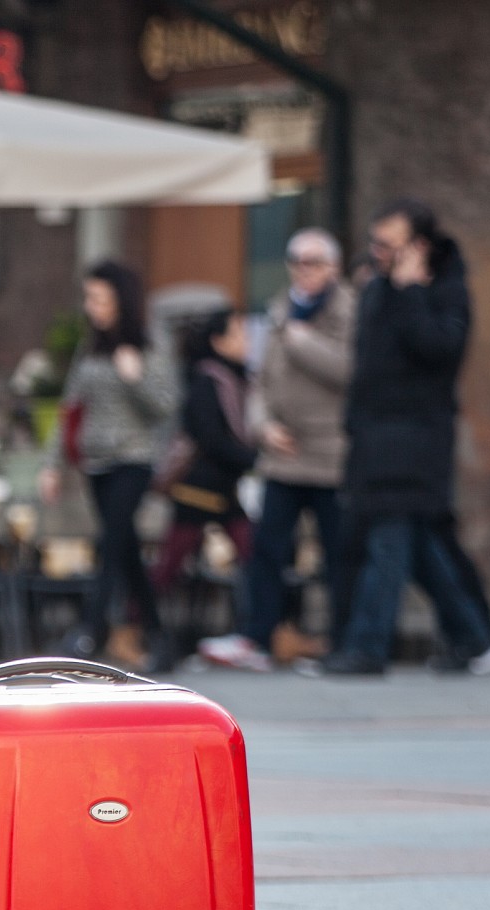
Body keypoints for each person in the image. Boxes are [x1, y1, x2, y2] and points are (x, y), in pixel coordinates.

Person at [309, 201, 490, 677]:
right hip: (374, 439)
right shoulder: (377, 289)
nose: (377, 252)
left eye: (388, 245)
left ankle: (367, 647)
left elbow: (440, 349)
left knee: (389, 545)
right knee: (415, 546)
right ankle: (477, 639)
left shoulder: (444, 291)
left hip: (415, 442)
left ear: (419, 247)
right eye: (374, 243)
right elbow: (367, 368)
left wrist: (410, 293)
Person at [202, 228, 355, 673]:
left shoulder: (349, 310)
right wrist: (262, 425)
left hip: (329, 453)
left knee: (336, 552)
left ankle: (341, 640)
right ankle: (259, 637)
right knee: (267, 549)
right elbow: (261, 381)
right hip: (281, 454)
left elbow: (350, 372)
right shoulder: (280, 310)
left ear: (333, 267)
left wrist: (303, 342)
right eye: (296, 261)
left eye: (314, 262)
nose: (303, 271)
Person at [40, 261, 180, 670]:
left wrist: (135, 377)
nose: (91, 306)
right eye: (89, 298)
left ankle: (90, 630)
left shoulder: (149, 341)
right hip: (95, 462)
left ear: (122, 299)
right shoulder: (92, 344)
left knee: (111, 542)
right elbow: (70, 407)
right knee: (126, 550)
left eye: (99, 298)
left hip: (133, 459)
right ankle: (158, 636)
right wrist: (53, 464)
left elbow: (167, 406)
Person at [154, 310, 257, 655]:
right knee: (170, 565)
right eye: (240, 334)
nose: (248, 342)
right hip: (197, 490)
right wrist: (255, 460)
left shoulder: (237, 378)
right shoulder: (207, 380)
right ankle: (139, 626)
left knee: (253, 554)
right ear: (218, 341)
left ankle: (261, 630)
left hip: (224, 489)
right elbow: (212, 438)